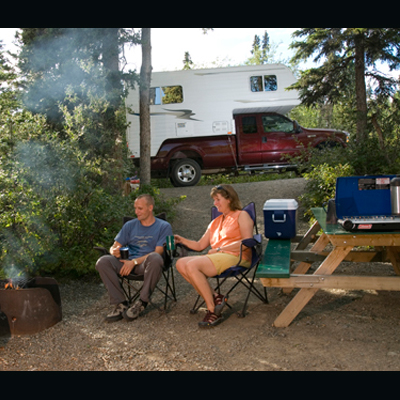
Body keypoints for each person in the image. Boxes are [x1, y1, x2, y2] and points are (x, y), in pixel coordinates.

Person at [175, 184, 254, 327]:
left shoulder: (242, 215)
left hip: (237, 256)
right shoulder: (215, 222)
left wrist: (219, 249)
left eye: (218, 199)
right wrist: (182, 240)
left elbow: (247, 241)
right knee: (180, 263)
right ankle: (217, 298)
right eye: (214, 200)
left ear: (229, 199)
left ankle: (212, 310)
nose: (215, 203)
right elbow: (199, 246)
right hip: (218, 257)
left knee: (192, 265)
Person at [96, 194, 172, 323]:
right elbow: (114, 246)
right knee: (102, 261)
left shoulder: (164, 226)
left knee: (155, 257)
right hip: (126, 264)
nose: (136, 212)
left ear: (150, 208)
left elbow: (158, 252)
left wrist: (134, 262)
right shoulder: (130, 225)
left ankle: (142, 302)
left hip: (147, 265)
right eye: (135, 208)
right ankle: (120, 303)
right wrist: (113, 251)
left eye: (140, 208)